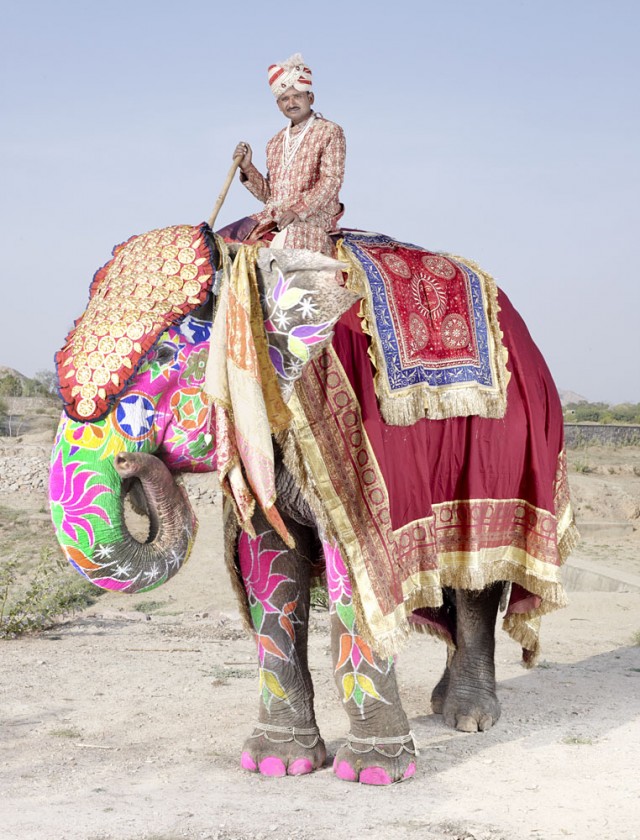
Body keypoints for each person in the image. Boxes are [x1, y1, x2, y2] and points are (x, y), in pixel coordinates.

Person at [233, 54, 346, 257]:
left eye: (297, 96)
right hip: (275, 218)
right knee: (227, 243)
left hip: (312, 219)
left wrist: (299, 211)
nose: (291, 102)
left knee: (286, 249)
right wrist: (248, 167)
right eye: (285, 98)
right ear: (278, 105)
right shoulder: (275, 143)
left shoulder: (329, 131)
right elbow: (270, 196)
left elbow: (331, 181)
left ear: (310, 98)